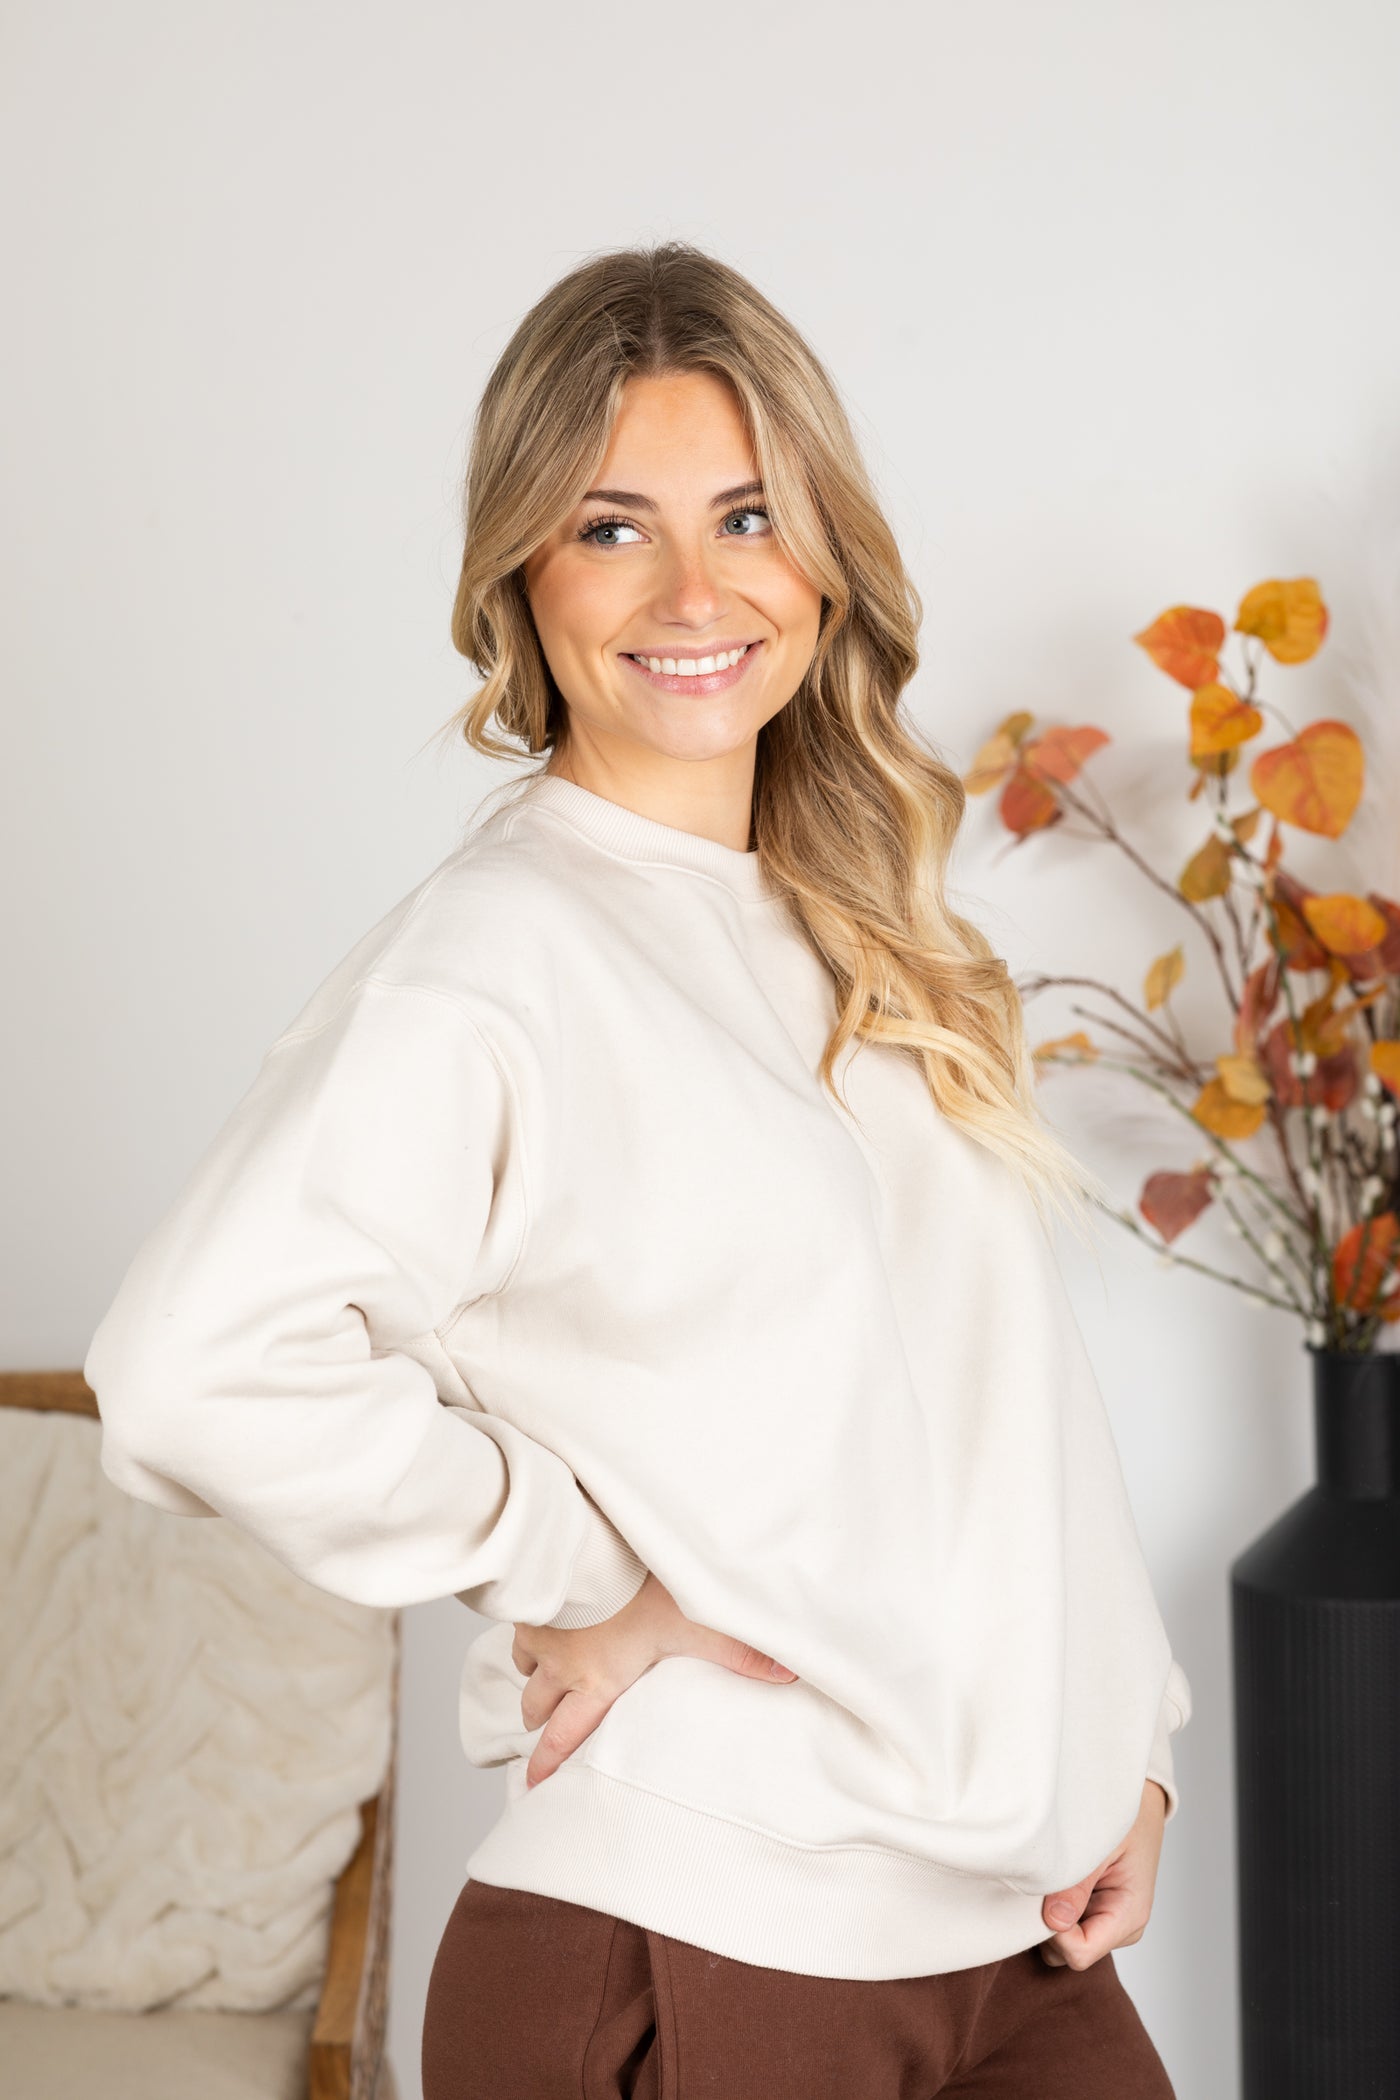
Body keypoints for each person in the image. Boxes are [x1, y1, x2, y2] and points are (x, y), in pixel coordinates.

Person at [85, 240, 1191, 2098]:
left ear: (823, 556)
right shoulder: (496, 954)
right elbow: (191, 1365)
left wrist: (1127, 1744)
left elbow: (1010, 1403)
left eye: (747, 515)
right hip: (691, 1935)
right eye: (613, 528)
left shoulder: (871, 926)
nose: (695, 590)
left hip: (1011, 1933)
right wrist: (574, 1562)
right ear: (521, 575)